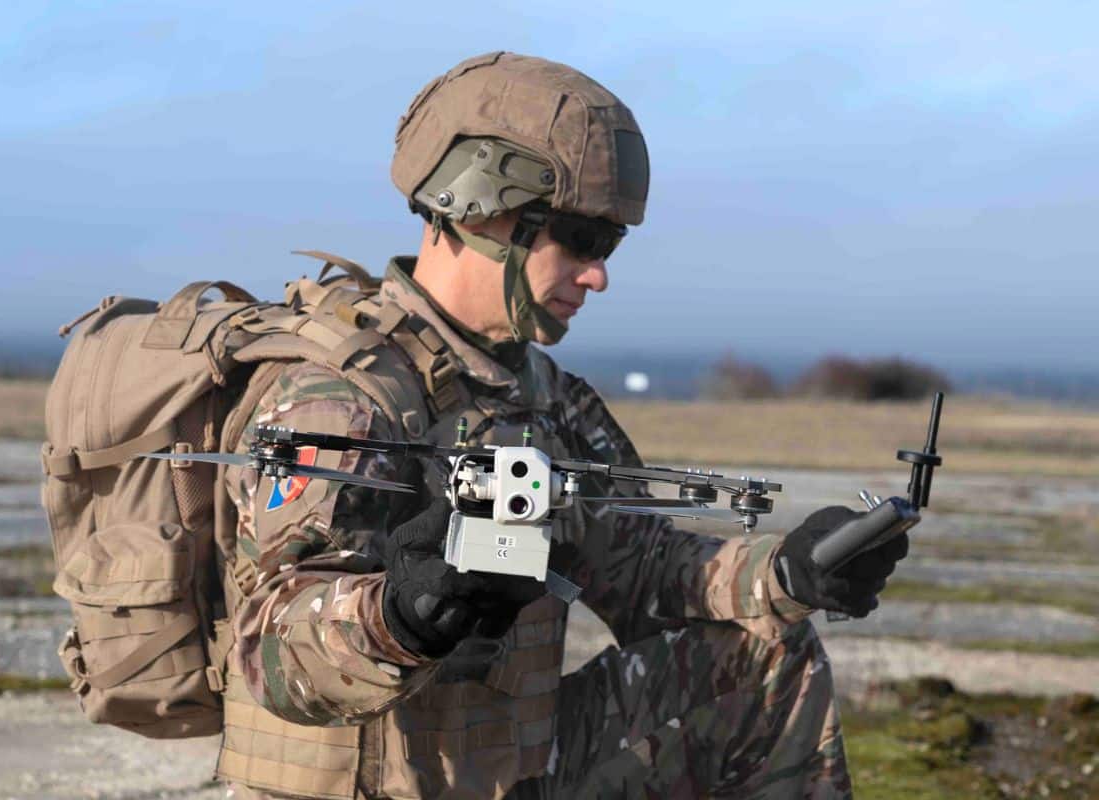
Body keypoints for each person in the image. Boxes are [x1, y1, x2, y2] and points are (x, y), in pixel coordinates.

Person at [213, 51, 907, 800]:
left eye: (609, 245)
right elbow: (272, 651)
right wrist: (405, 612)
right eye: (579, 238)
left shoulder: (547, 398)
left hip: (509, 775)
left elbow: (640, 569)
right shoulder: (338, 393)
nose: (598, 274)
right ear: (478, 204)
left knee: (769, 656)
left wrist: (793, 569)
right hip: (372, 787)